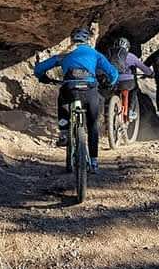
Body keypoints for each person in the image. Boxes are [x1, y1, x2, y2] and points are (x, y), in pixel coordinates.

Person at [34, 27, 119, 173]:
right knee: (92, 126)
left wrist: (43, 77)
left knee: (62, 99)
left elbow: (39, 69)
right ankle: (94, 162)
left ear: (71, 40)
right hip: (90, 91)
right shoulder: (95, 54)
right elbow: (113, 73)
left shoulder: (65, 55)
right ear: (87, 40)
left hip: (70, 90)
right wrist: (109, 83)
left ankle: (64, 131)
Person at [106, 36, 152, 120]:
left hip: (113, 81)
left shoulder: (110, 55)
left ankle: (108, 113)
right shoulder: (130, 56)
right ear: (127, 47)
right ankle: (130, 111)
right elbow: (143, 67)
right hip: (127, 82)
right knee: (134, 90)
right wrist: (151, 73)